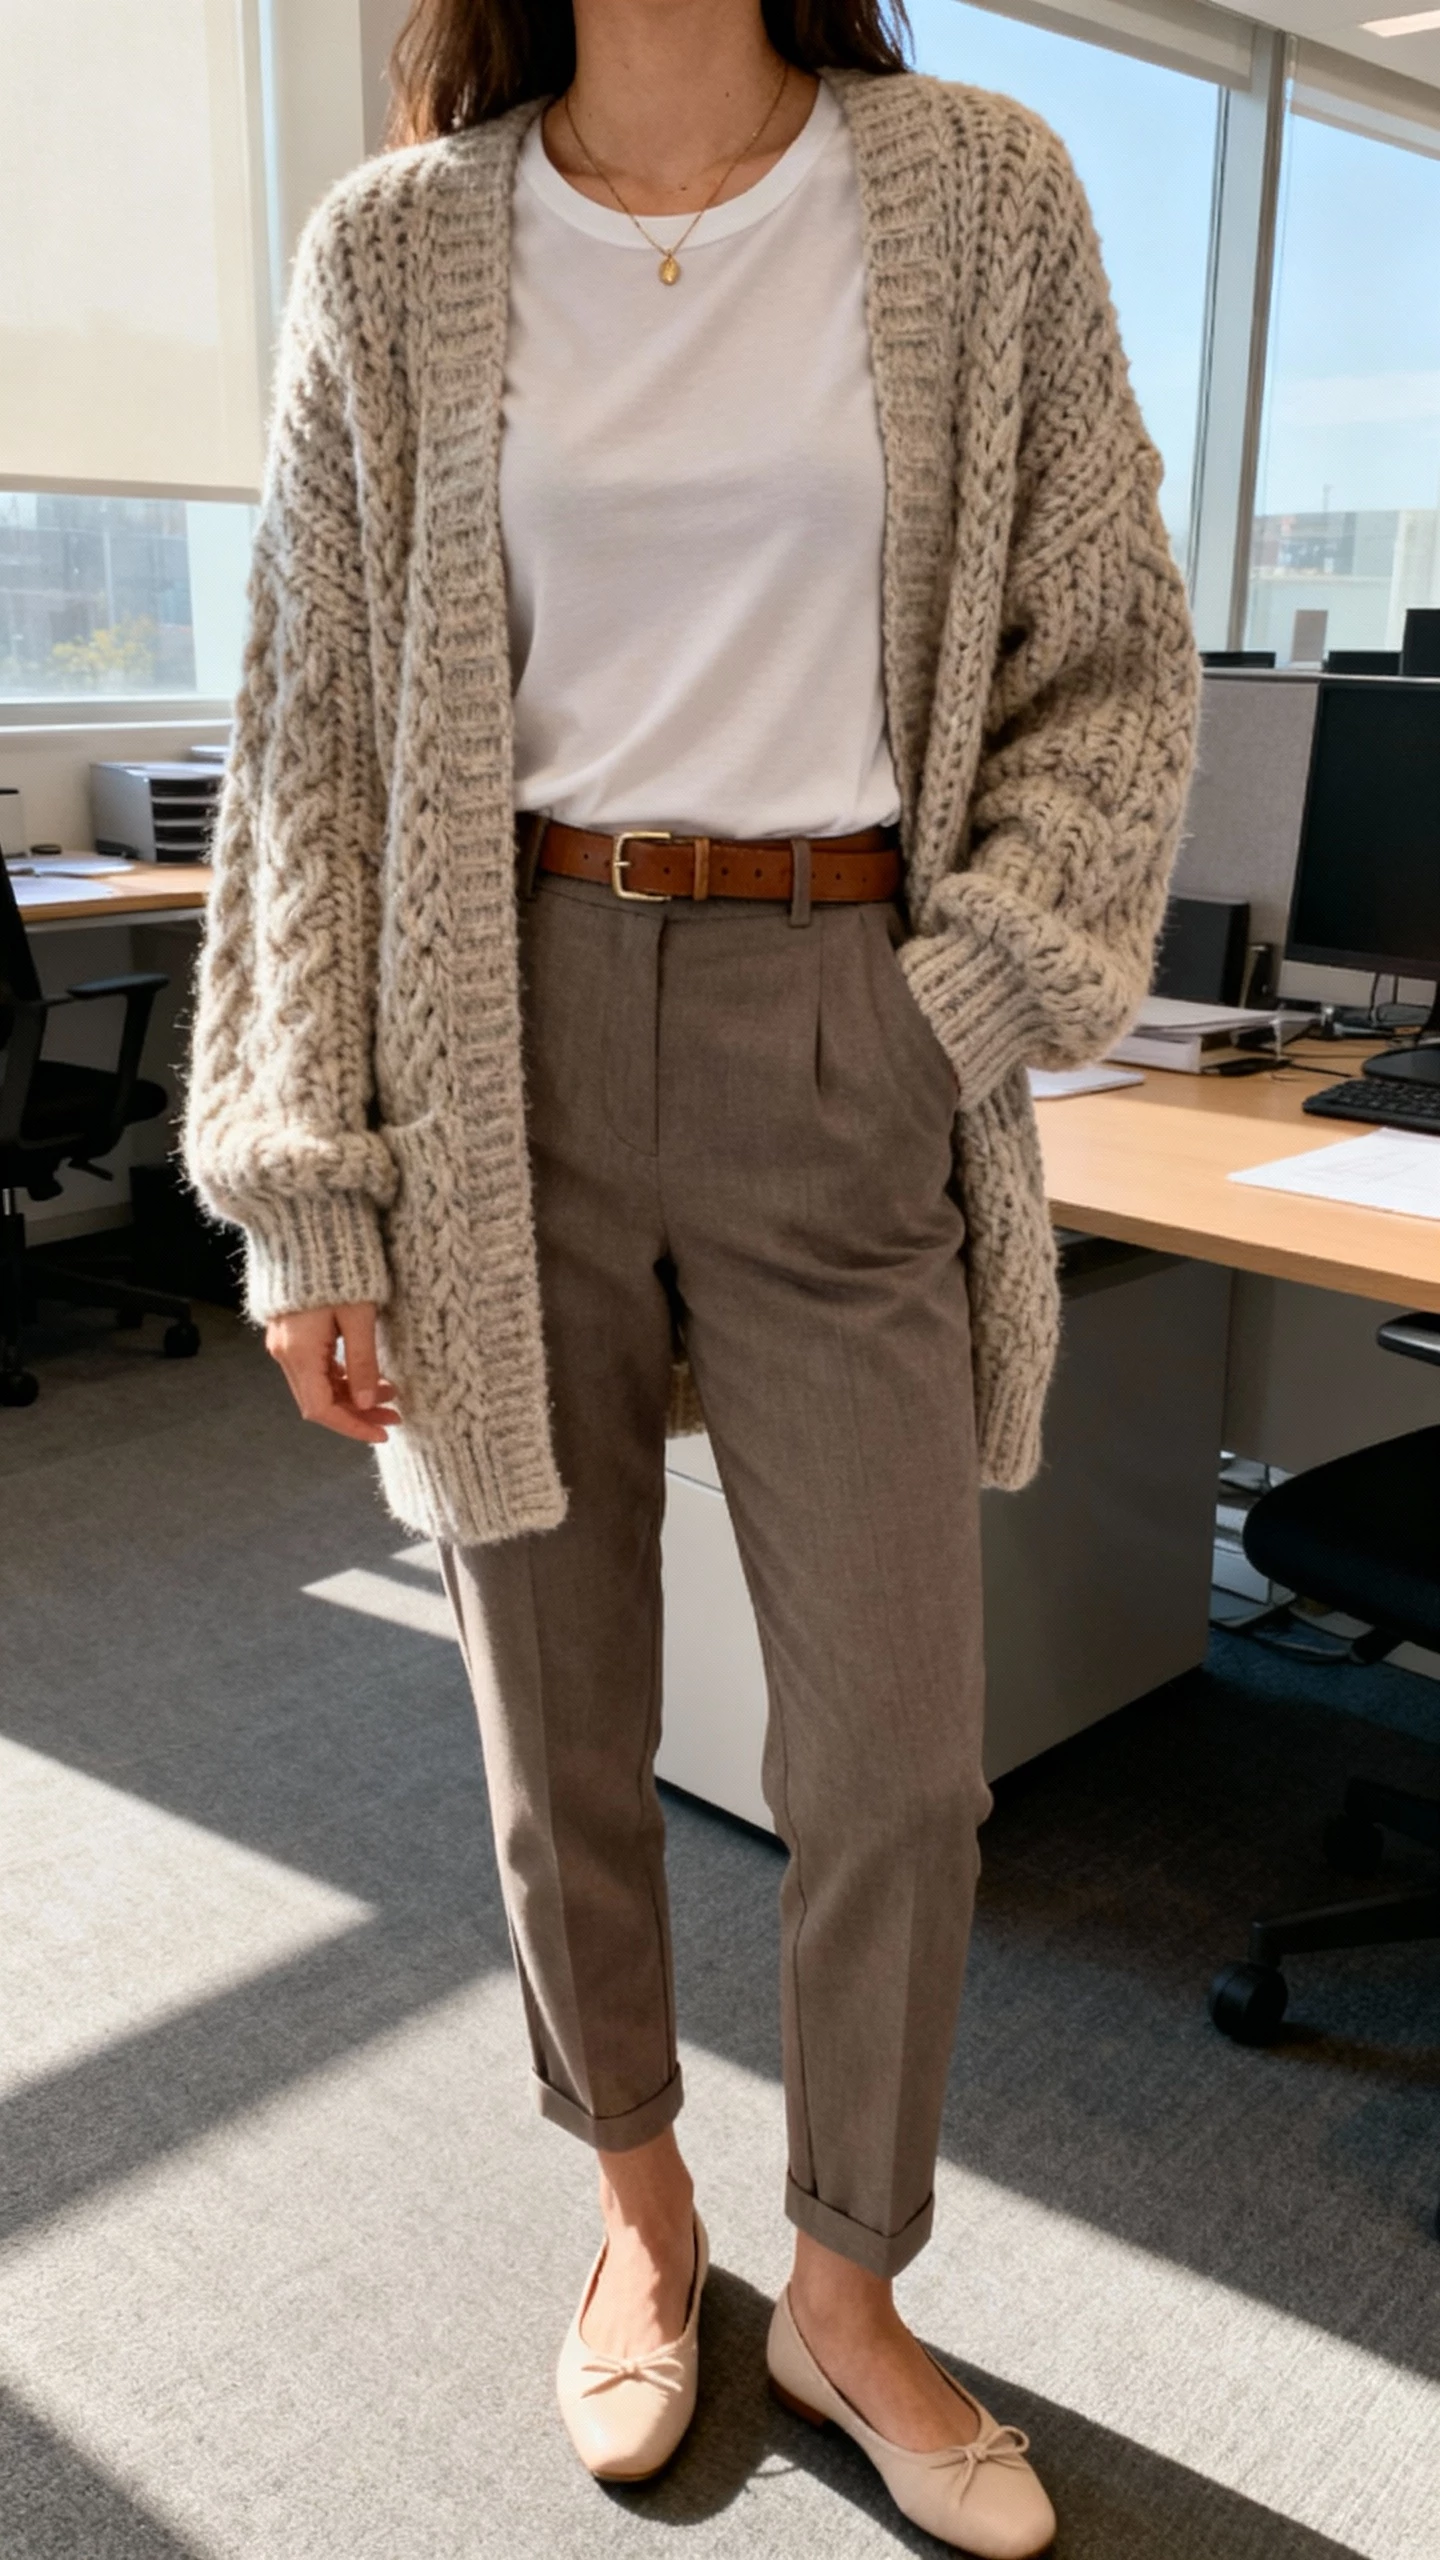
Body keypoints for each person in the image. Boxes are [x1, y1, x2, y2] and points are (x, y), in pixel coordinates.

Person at [184, 0, 1199, 2547]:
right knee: (564, 1731)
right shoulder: (397, 246)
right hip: (487, 1027)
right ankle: (641, 2213)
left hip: (839, 1012)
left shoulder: (977, 190)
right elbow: (314, 731)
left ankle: (849, 2284)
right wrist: (316, 1178)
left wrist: (953, 994)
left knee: (891, 1757)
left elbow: (1113, 652)